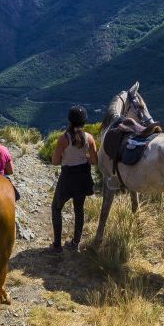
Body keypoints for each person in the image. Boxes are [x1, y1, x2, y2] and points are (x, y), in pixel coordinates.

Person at [49, 106, 96, 251]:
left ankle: (57, 245)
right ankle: (75, 243)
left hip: (68, 177)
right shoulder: (89, 138)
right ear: (84, 121)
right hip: (83, 176)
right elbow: (94, 161)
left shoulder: (64, 138)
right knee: (79, 209)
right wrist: (86, 157)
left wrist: (64, 156)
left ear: (70, 120)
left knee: (56, 207)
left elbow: (55, 162)